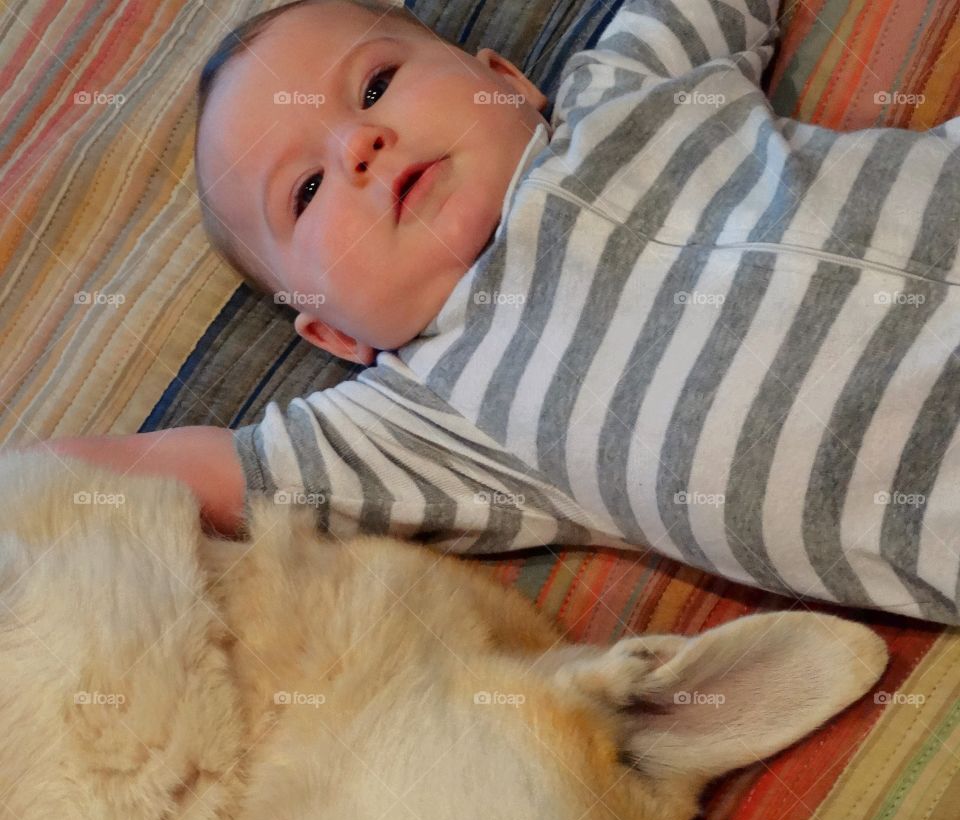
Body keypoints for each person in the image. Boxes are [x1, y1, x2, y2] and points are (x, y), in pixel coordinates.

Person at [25, 0, 960, 623]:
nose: (359, 141)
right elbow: (186, 472)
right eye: (305, 191)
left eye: (379, 84)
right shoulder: (430, 412)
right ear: (335, 332)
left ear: (508, 80)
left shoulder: (621, 91)